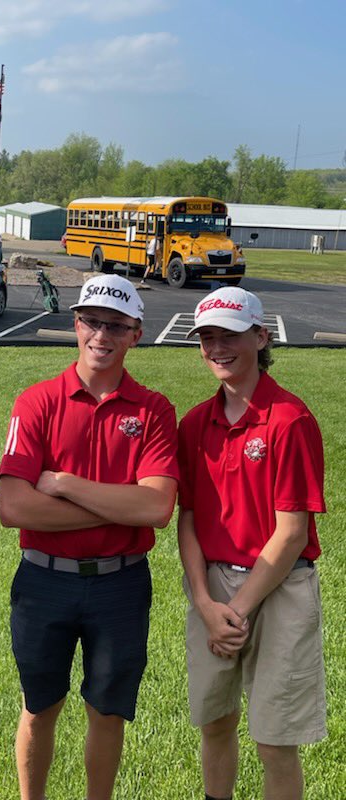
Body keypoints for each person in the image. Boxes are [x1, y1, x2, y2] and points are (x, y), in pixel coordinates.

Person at [0, 274, 179, 800]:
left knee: (108, 709)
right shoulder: (36, 402)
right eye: (91, 322)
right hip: (43, 579)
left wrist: (68, 486)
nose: (101, 335)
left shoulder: (153, 410)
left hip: (120, 584)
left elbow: (157, 506)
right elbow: (13, 507)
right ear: (76, 326)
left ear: (136, 334)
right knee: (39, 706)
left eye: (116, 326)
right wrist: (119, 505)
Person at [177, 287, 326, 800]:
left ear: (260, 337)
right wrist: (204, 601)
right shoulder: (195, 423)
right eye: (208, 337)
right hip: (213, 586)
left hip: (279, 588)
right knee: (215, 722)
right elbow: (189, 518)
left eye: (231, 335)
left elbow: (292, 533)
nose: (218, 347)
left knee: (273, 740)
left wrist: (235, 611)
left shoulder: (290, 419)